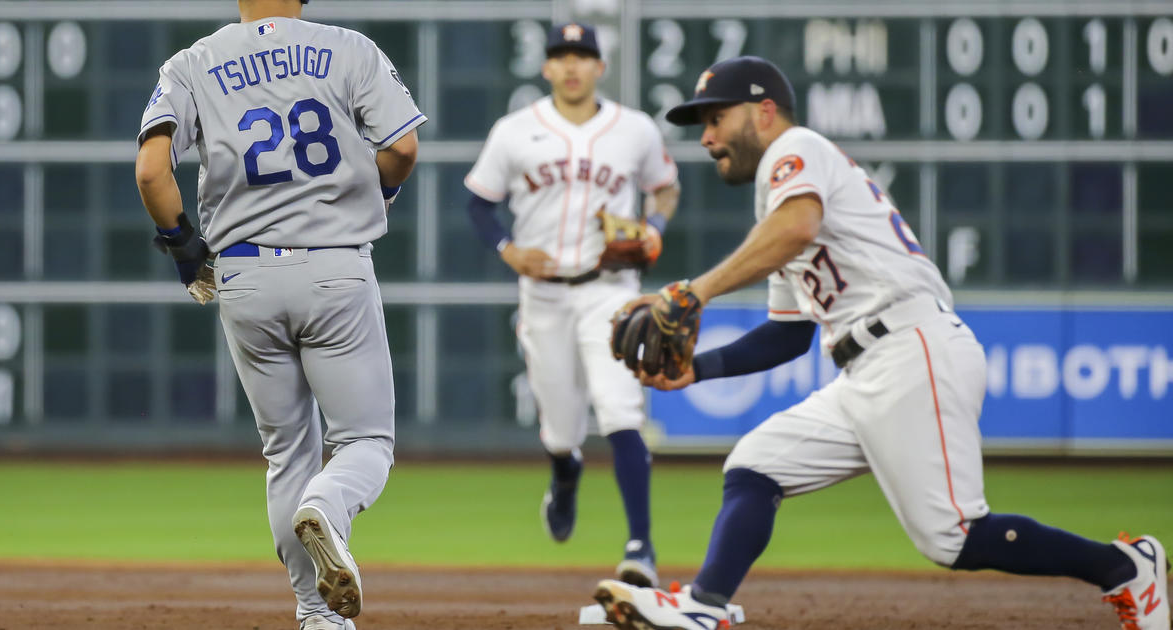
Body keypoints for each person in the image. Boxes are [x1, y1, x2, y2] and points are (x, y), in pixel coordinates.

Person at [593, 56, 1169, 630]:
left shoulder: (796, 153)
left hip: (909, 345)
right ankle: (704, 606)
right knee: (755, 464)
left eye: (717, 118)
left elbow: (797, 229)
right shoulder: (781, 202)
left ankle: (1125, 567)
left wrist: (695, 291)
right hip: (865, 368)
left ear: (765, 111)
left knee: (954, 539)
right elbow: (789, 334)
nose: (708, 137)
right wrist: (698, 368)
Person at [135, 1, 424, 628]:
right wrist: (381, 190)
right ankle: (328, 504)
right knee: (366, 441)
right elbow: (401, 147)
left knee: (287, 451)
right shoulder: (349, 48)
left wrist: (186, 250)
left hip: (244, 273)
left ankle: (318, 616)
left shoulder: (192, 62)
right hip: (334, 265)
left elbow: (152, 169)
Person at [463, 22, 681, 587]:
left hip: (611, 288)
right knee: (560, 427)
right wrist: (509, 251)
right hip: (543, 293)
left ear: (599, 67)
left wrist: (654, 227)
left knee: (620, 409)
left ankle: (641, 547)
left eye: (583, 56)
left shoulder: (632, 129)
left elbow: (666, 186)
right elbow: (478, 202)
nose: (572, 66)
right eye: (562, 56)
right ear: (547, 68)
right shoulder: (515, 130)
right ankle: (564, 470)